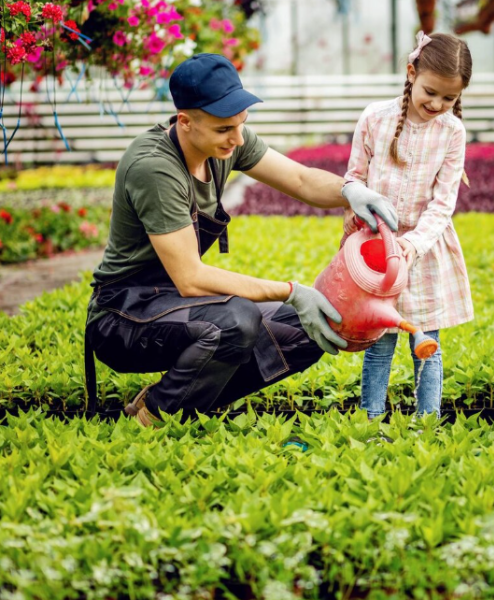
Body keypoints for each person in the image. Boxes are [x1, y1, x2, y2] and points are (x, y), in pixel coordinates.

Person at [84, 53, 398, 427]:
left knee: (312, 325)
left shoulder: (226, 140)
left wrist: (350, 191)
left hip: (176, 304)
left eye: (241, 124)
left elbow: (300, 180)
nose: (236, 138)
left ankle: (177, 399)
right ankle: (154, 416)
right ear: (185, 122)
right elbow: (191, 278)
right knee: (236, 320)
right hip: (123, 314)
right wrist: (292, 291)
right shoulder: (154, 168)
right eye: (224, 129)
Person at [341, 31, 474, 419]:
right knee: (379, 340)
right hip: (375, 248)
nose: (437, 104)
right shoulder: (375, 118)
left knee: (426, 342)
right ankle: (371, 422)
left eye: (449, 98)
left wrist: (413, 244)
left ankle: (427, 423)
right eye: (430, 92)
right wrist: (356, 208)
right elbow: (353, 178)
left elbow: (443, 204)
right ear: (411, 72)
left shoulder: (452, 132)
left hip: (423, 251)